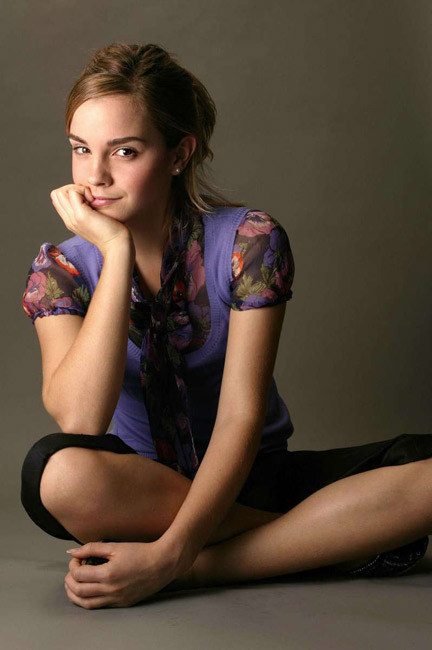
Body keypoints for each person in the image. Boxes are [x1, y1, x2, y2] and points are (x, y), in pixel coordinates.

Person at [20, 42, 432, 610]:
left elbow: (242, 417)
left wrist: (172, 560)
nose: (96, 176)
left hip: (252, 477)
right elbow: (81, 419)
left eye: (125, 151)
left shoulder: (249, 241)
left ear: (179, 154)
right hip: (140, 492)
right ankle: (323, 534)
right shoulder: (61, 269)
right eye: (81, 149)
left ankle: (206, 564)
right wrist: (115, 253)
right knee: (56, 473)